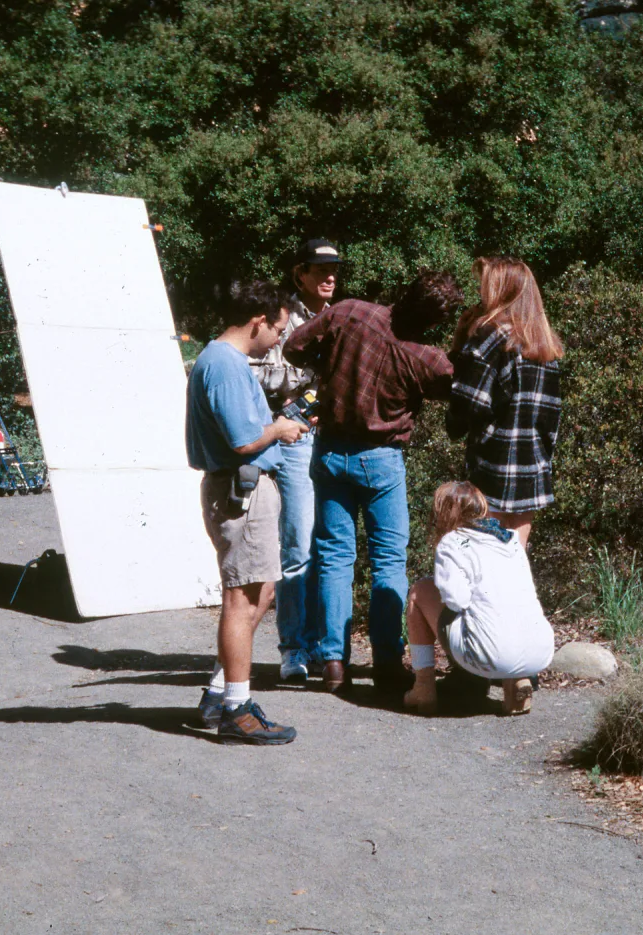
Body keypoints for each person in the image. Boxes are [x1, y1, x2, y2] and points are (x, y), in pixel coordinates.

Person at [284, 270, 464, 695]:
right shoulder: (428, 358)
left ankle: (332, 663)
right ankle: (386, 660)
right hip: (382, 460)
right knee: (387, 560)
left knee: (333, 557)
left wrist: (326, 368)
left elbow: (293, 346)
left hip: (329, 451)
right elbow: (463, 392)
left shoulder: (350, 312)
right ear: (435, 319)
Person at [187, 280, 308, 744]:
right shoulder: (225, 365)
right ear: (258, 321)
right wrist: (278, 429)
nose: (279, 339)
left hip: (246, 489)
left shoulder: (223, 361)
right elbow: (242, 441)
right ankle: (237, 708)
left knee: (259, 593)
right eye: (278, 329)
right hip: (240, 492)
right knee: (242, 600)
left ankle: (220, 693)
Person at [248, 238, 343, 683]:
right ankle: (294, 648)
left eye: (334, 270)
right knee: (299, 545)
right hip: (295, 438)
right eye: (319, 269)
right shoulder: (280, 320)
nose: (329, 277)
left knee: (333, 547)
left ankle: (331, 648)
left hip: (337, 439)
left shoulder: (340, 315)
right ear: (299, 274)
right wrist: (308, 377)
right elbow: (256, 371)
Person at [402, 481, 555, 716]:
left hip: (488, 654)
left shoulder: (452, 542)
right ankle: (516, 680)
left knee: (419, 591)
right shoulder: (511, 539)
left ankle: (423, 686)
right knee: (503, 609)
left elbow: (457, 600)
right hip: (540, 651)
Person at [448, 256, 564, 547]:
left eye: (485, 286)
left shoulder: (491, 333)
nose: (481, 294)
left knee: (484, 563)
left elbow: (468, 401)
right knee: (515, 561)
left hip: (493, 465)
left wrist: (459, 344)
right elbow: (551, 417)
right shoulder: (544, 344)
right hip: (532, 466)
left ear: (501, 290)